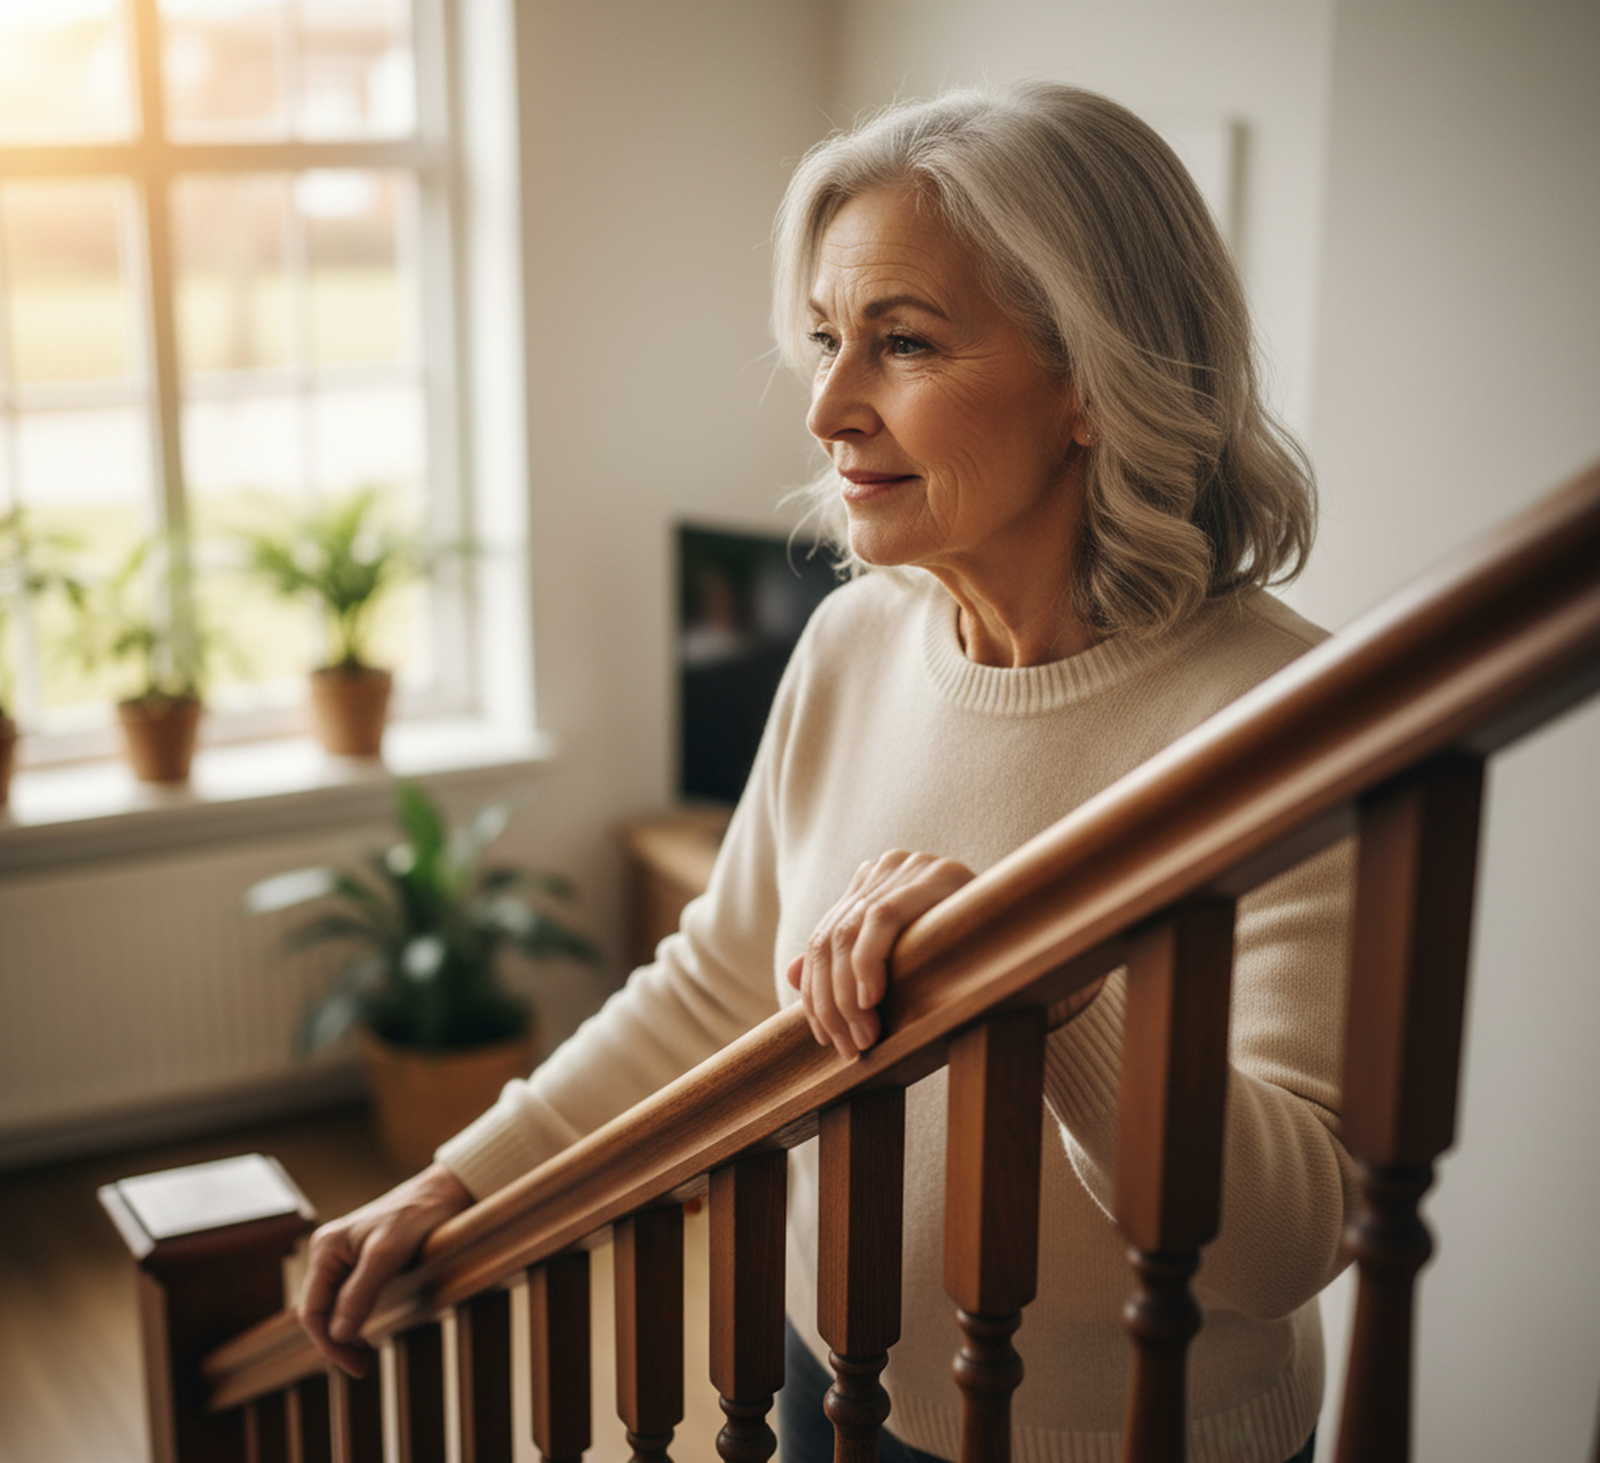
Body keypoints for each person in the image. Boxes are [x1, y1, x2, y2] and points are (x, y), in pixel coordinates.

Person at [298, 81, 1351, 1463]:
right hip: (828, 1384)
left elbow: (1285, 1243)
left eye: (901, 344)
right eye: (823, 341)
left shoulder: (1288, 716)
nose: (828, 408)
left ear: (1095, 380)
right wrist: (457, 1179)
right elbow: (719, 980)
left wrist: (1056, 979)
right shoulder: (854, 637)